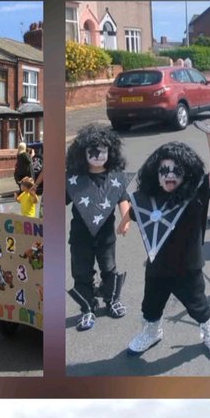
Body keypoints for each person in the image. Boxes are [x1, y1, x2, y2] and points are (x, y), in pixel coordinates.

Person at [121, 134, 210, 359]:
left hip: (188, 266)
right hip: (158, 266)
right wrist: (123, 221)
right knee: (150, 304)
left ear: (186, 172)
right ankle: (151, 332)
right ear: (155, 174)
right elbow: (135, 210)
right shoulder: (151, 197)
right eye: (164, 170)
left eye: (176, 170)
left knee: (198, 305)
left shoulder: (194, 195)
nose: (169, 175)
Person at [66, 124, 130, 330]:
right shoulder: (74, 179)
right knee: (81, 272)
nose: (98, 155)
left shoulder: (114, 176)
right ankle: (87, 308)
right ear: (82, 153)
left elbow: (123, 198)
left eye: (103, 150)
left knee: (109, 268)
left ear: (111, 152)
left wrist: (125, 219)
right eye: (92, 151)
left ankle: (112, 300)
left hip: (106, 237)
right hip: (79, 237)